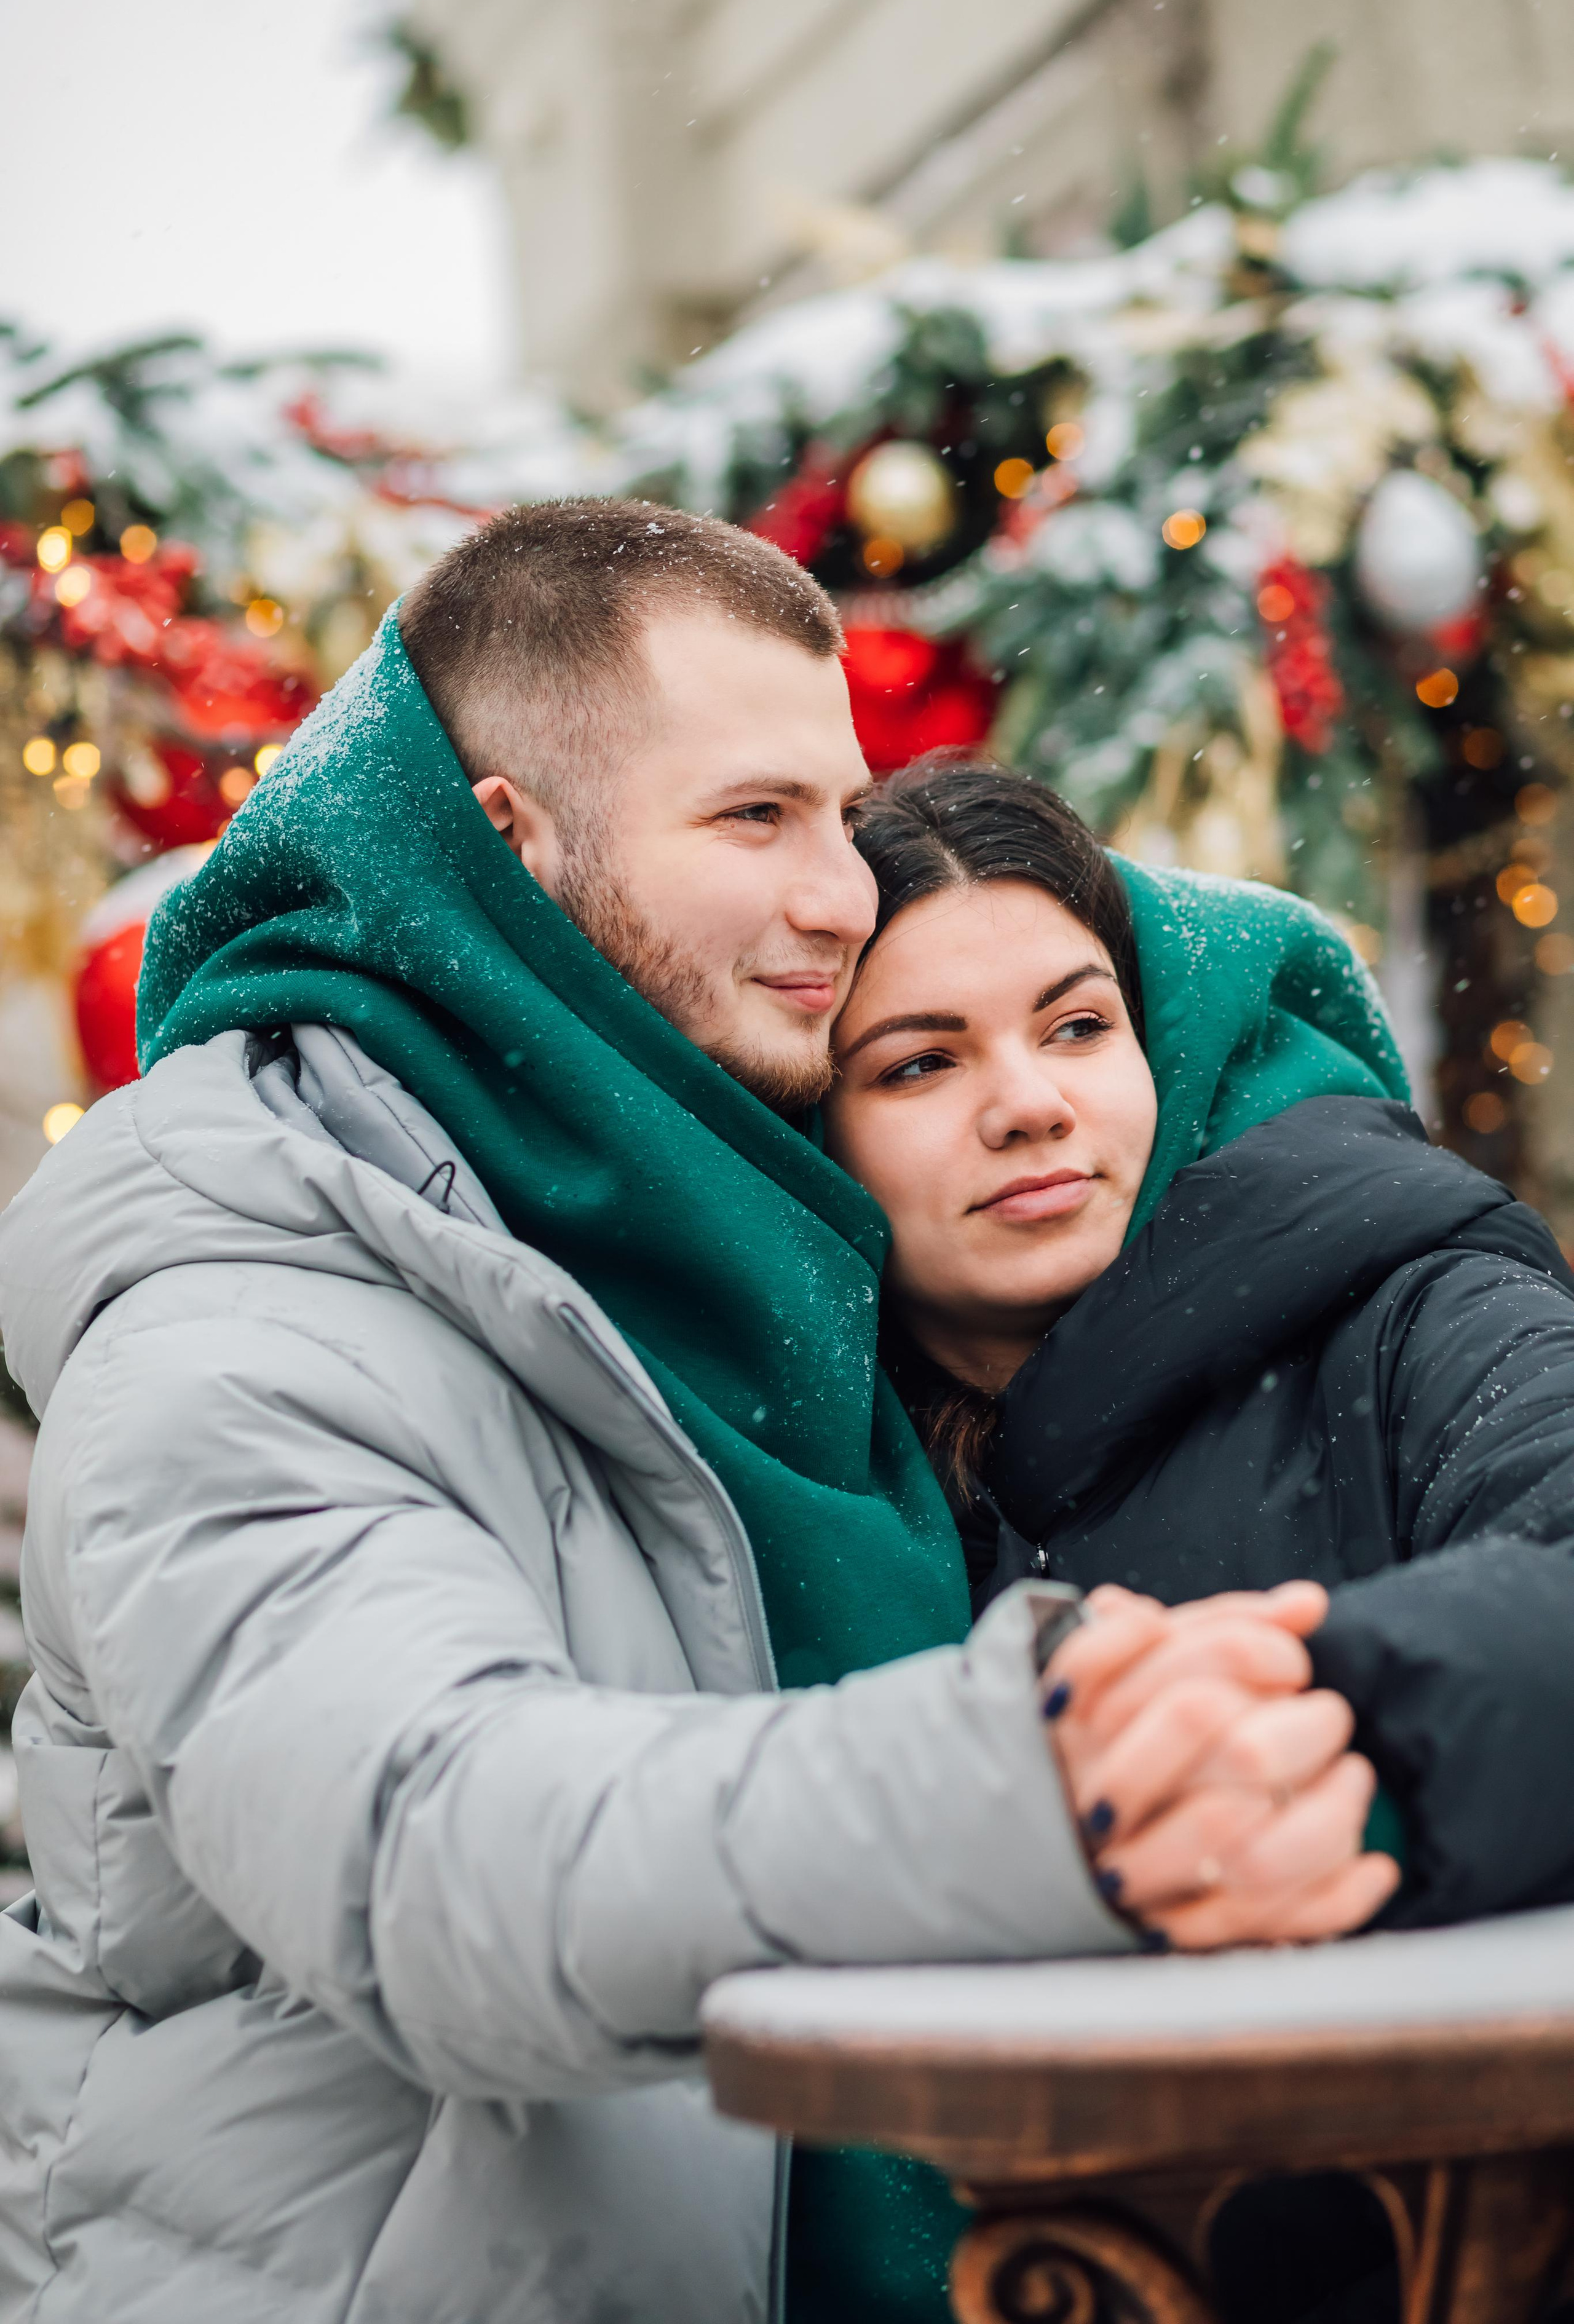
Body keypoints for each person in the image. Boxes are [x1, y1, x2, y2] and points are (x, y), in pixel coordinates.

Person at [0, 502, 1384, 2324]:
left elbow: (1112, 974)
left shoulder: (702, 1211)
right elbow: (440, 1853)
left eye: (843, 806)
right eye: (756, 817)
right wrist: (1025, 1780)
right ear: (511, 846)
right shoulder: (247, 1329)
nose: (846, 893)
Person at [825, 756, 1574, 1942]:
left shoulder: (1411, 1306)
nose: (1030, 1103)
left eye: (1078, 1026)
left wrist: (1299, 1748)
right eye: (921, 1061)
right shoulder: (799, 1453)